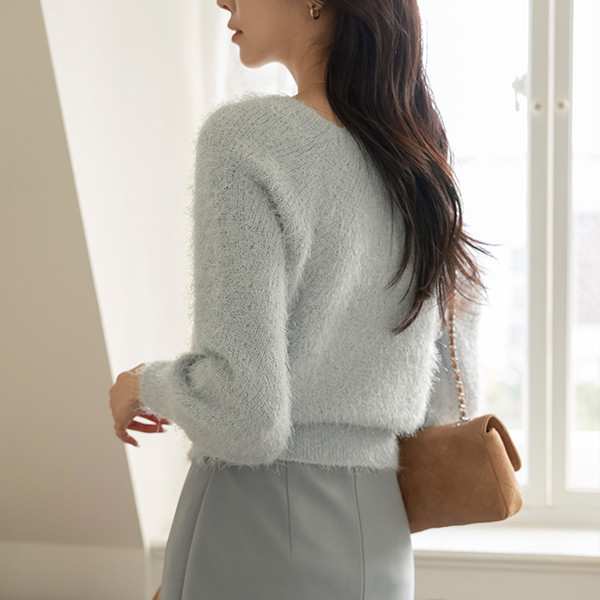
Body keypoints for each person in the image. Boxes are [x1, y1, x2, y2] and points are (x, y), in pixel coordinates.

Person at [108, 0, 493, 598]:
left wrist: (142, 384)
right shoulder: (422, 168)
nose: (223, 1)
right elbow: (444, 404)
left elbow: (245, 417)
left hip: (254, 526)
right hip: (381, 541)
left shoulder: (250, 141)